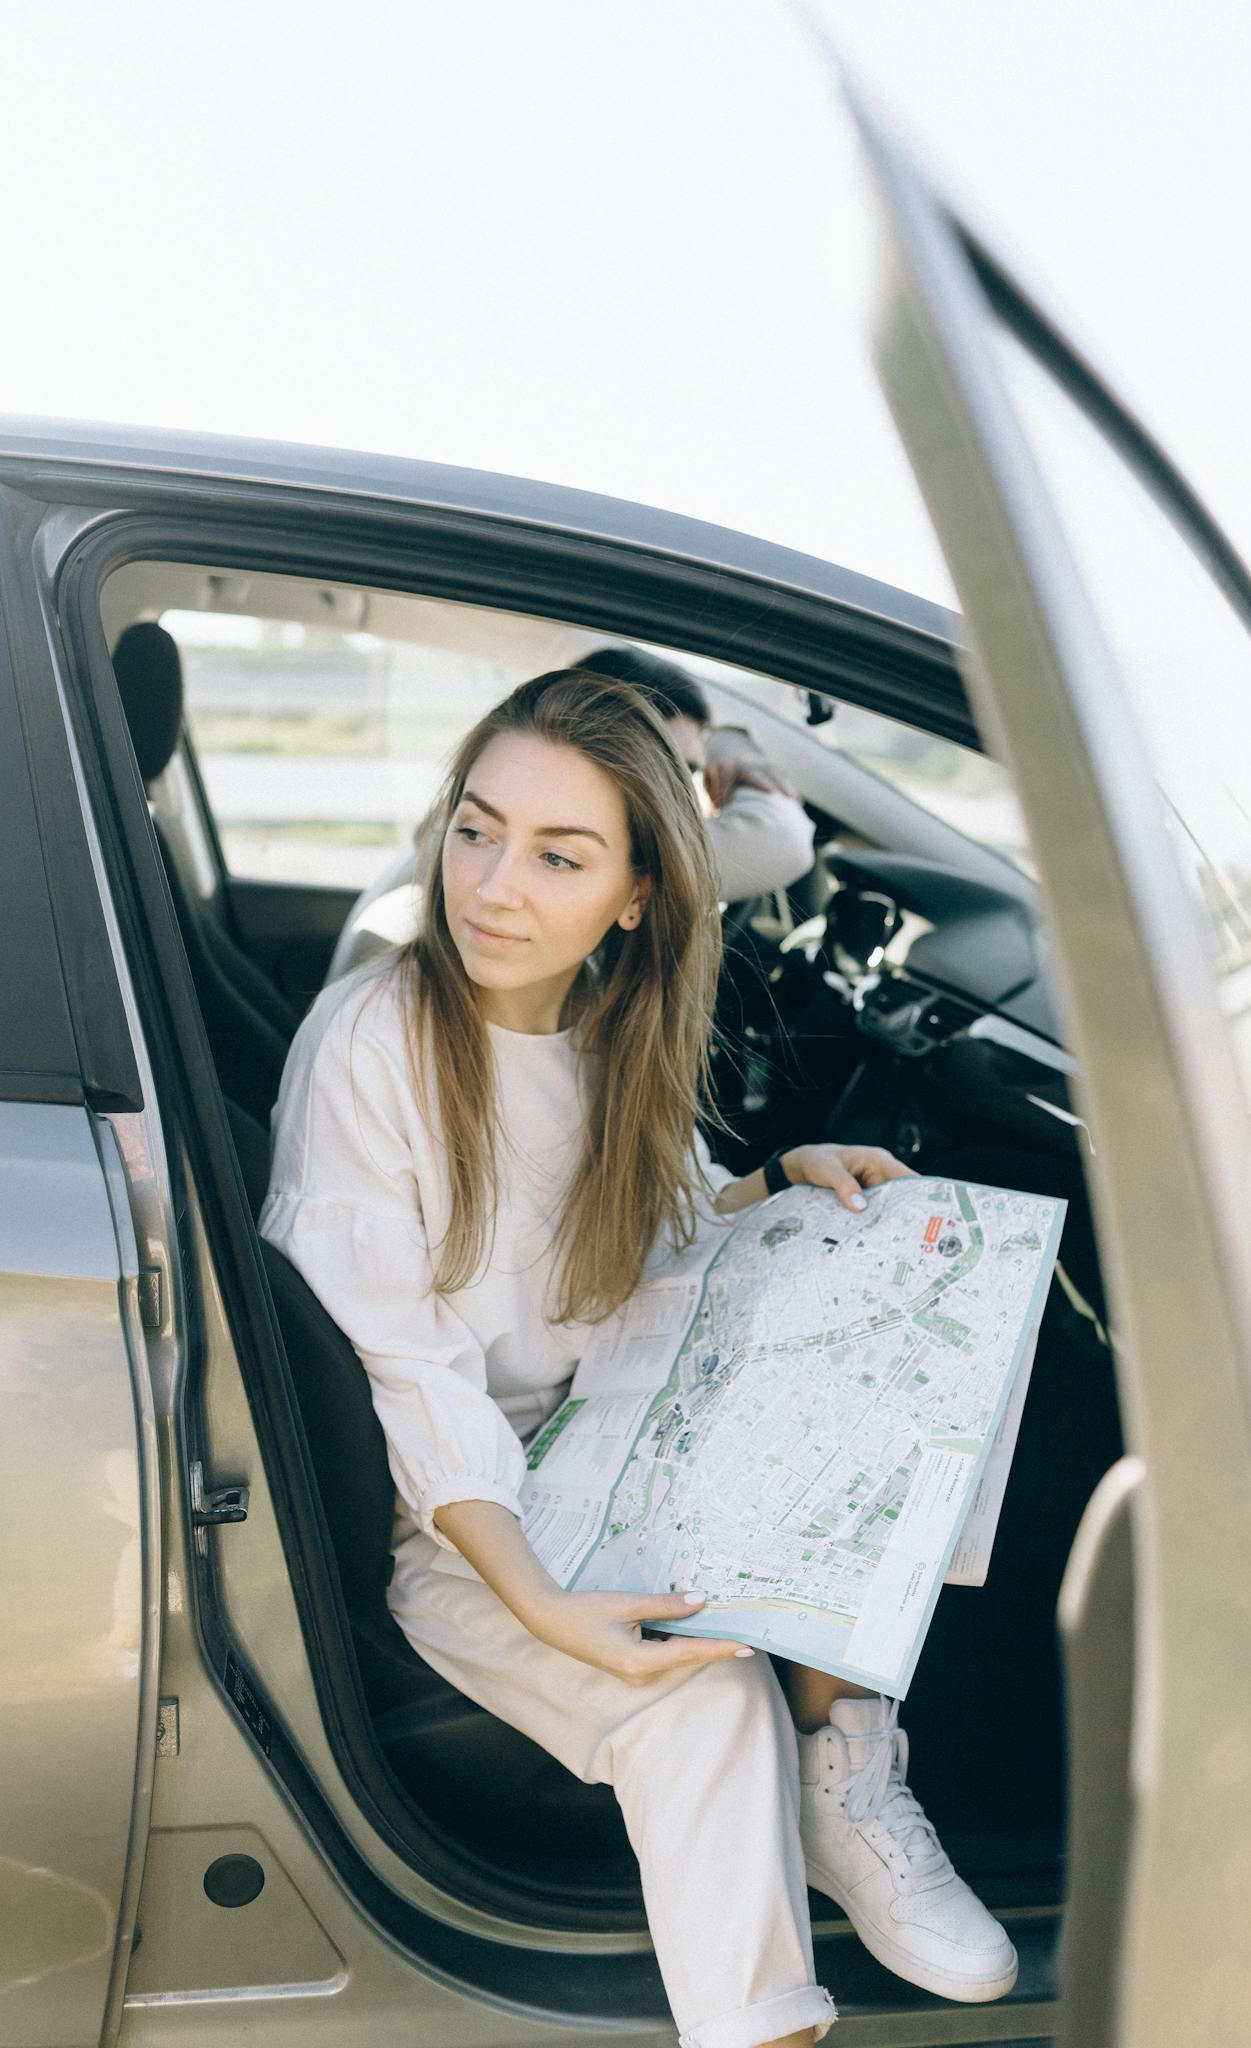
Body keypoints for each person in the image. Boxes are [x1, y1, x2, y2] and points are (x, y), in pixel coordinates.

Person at [260, 670, 1018, 2048]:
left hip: (608, 1441)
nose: (492, 886)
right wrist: (542, 1600)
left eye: (557, 856)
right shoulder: (373, 1040)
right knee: (706, 1690)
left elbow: (655, 1232)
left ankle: (840, 1767)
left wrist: (778, 1185)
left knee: (915, 1302)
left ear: (631, 899)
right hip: (466, 1526)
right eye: (478, 830)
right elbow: (412, 1375)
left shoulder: (608, 1031)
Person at [325, 644, 815, 981]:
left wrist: (730, 742)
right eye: (659, 770)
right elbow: (786, 843)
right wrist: (738, 750)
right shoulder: (620, 847)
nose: (677, 798)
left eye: (686, 771)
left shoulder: (461, 832)